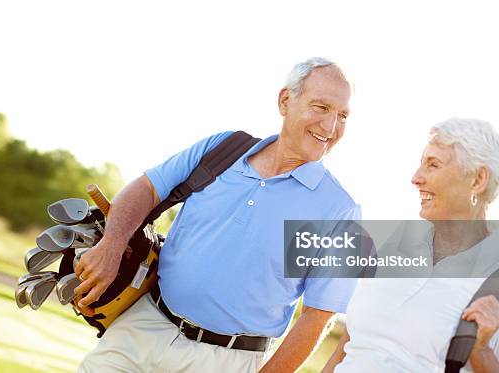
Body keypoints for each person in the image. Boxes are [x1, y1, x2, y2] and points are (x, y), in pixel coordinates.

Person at [74, 57, 361, 372]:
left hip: (228, 360)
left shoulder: (341, 210)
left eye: (342, 115)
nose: (331, 127)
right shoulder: (223, 149)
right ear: (285, 101)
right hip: (143, 326)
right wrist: (112, 246)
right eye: (321, 108)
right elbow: (146, 188)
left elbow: (318, 314)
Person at [322, 118, 499, 373]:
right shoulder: (393, 246)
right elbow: (347, 348)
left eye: (433, 165)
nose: (416, 178)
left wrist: (480, 352)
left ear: (478, 180)